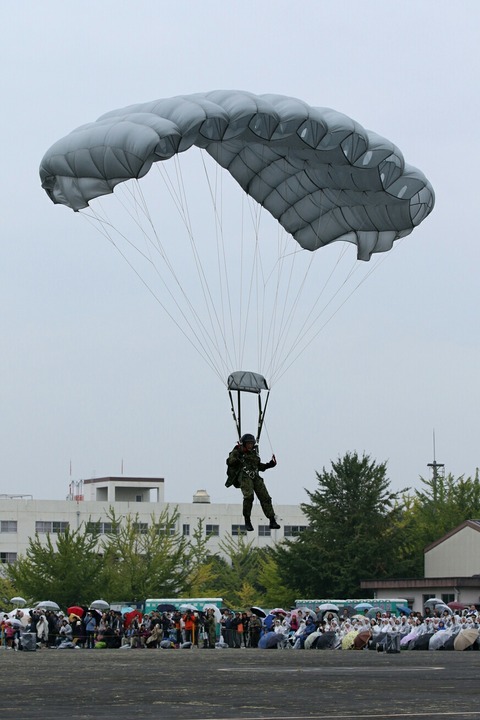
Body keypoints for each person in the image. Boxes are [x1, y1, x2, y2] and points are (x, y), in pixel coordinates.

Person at [225, 433, 280, 531]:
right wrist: (238, 458)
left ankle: (272, 520)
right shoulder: (237, 451)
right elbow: (230, 461)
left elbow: (258, 466)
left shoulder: (253, 453)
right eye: (248, 443)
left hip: (255, 476)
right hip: (244, 477)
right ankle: (247, 520)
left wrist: (269, 465)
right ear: (244, 444)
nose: (250, 445)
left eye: (251, 443)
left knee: (265, 497)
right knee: (249, 496)